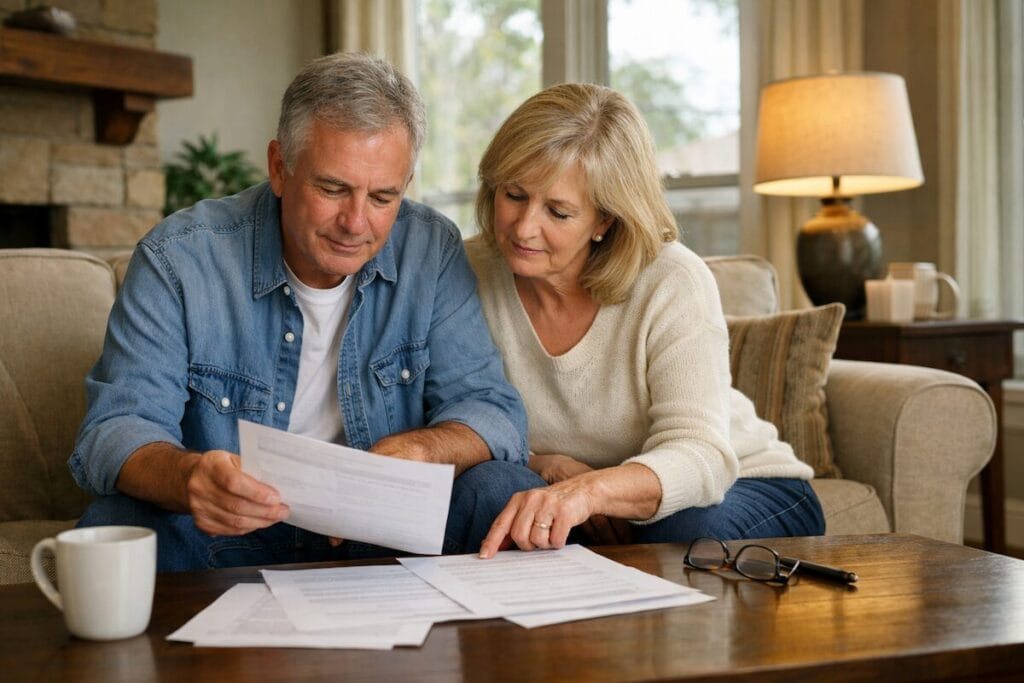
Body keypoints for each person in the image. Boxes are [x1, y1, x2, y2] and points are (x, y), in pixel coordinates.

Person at [70, 52, 536, 572]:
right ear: (278, 167)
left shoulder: (432, 248)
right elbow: (115, 429)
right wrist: (189, 478)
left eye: (383, 197)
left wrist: (423, 451)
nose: (356, 222)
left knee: (505, 491)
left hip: (387, 532)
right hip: (233, 533)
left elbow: (493, 413)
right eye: (332, 189)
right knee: (114, 525)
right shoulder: (178, 259)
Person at [468, 83, 826, 559]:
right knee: (492, 490)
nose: (523, 227)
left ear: (605, 221)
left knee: (683, 532)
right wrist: (541, 464)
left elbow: (701, 457)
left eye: (558, 211)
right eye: (513, 195)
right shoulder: (469, 269)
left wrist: (593, 491)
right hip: (565, 491)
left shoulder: (671, 279)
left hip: (743, 484)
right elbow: (448, 416)